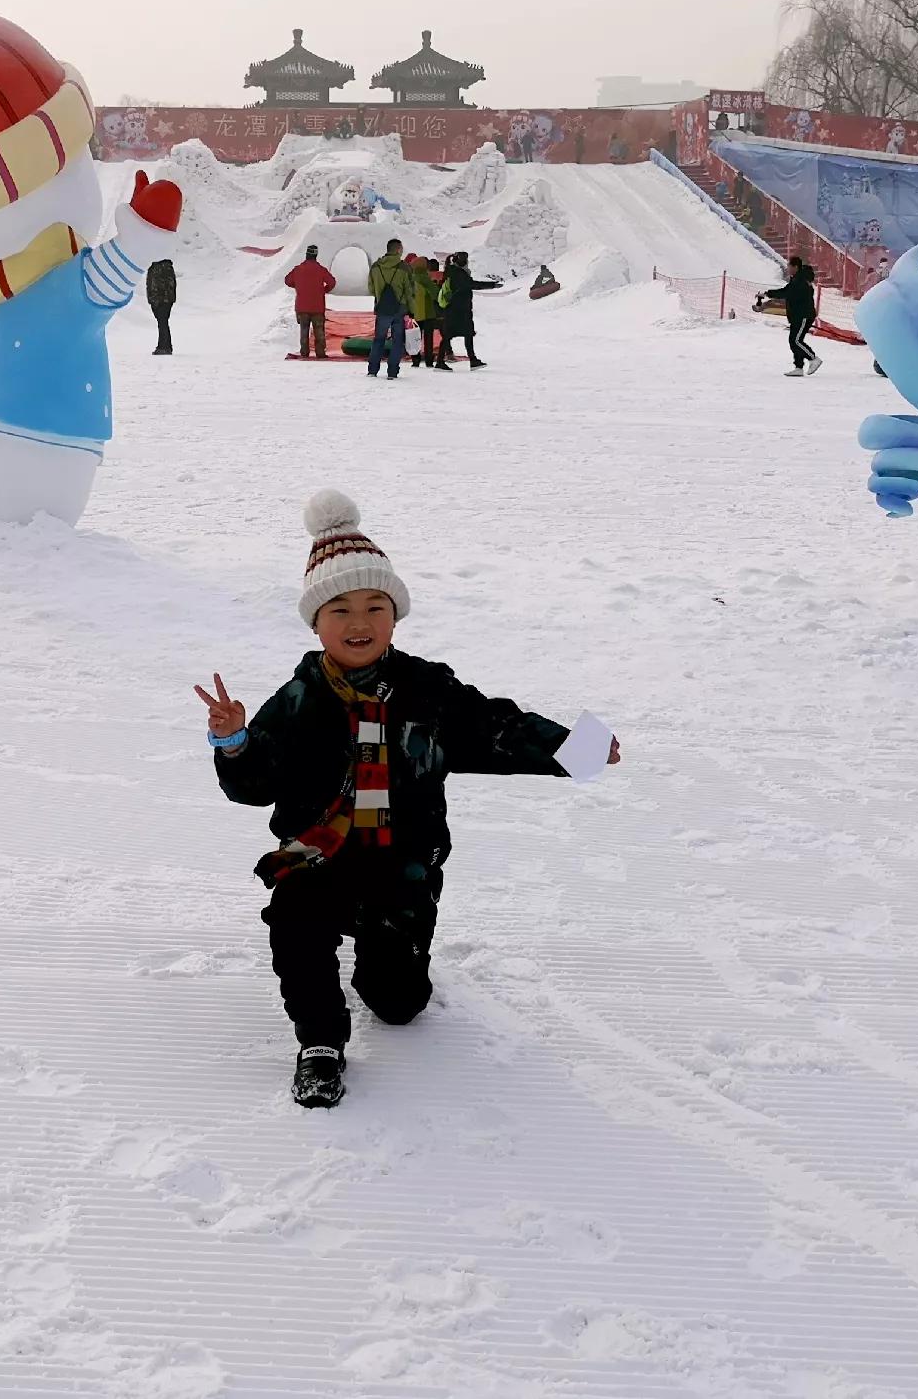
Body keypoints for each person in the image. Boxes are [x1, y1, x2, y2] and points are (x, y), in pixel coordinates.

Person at [197, 491, 618, 1109]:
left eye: (375, 606)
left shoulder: (428, 691)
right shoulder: (297, 699)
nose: (359, 622)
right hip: (318, 857)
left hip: (403, 863)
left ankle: (381, 942)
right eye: (339, 609)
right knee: (295, 924)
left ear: (395, 617)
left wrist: (575, 748)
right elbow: (254, 787)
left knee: (397, 1005)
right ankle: (319, 1043)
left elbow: (496, 728)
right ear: (316, 623)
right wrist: (234, 742)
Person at [437, 251, 499, 369]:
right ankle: (471, 360)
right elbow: (470, 284)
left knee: (452, 335)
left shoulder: (451, 271)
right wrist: (492, 285)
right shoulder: (458, 273)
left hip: (454, 309)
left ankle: (444, 361)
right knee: (465, 334)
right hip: (459, 309)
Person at [759, 257, 820, 376]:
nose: (787, 269)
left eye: (789, 266)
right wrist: (767, 293)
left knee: (796, 340)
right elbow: (786, 290)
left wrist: (768, 294)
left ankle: (813, 358)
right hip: (797, 315)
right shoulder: (797, 279)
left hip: (803, 315)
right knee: (794, 341)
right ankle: (798, 367)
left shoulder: (800, 281)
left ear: (795, 267)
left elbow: (786, 293)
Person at [365, 239, 410, 380]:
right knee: (397, 341)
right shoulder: (405, 268)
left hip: (382, 308)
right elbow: (410, 291)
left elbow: (371, 288)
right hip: (399, 309)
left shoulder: (376, 267)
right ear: (398, 250)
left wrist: (380, 296)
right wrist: (411, 310)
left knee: (378, 339)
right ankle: (392, 372)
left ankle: (372, 370)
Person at [285, 243, 334, 359]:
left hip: (302, 306)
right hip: (317, 306)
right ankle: (320, 353)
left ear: (306, 254)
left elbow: (287, 280)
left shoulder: (298, 269)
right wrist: (324, 290)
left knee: (304, 330)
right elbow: (332, 282)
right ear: (316, 255)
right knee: (319, 331)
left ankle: (304, 352)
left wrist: (298, 286)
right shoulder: (321, 270)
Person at [146, 255, 177, 355]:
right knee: (162, 322)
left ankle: (164, 346)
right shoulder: (158, 266)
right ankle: (165, 345)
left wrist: (158, 299)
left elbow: (161, 285)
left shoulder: (161, 267)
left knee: (162, 322)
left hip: (162, 300)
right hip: (160, 300)